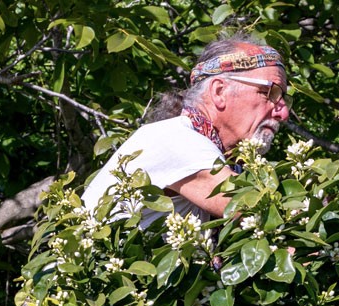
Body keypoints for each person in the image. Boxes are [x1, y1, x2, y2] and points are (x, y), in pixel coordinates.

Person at [81, 33, 290, 227]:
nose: (283, 113)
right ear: (219, 91)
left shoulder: (220, 158)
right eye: (269, 93)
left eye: (284, 99)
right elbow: (257, 215)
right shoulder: (176, 139)